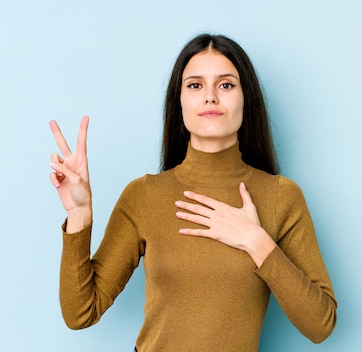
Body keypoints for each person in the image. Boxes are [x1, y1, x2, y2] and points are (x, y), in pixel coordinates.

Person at [48, 34, 337, 351]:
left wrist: (256, 241)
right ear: (180, 101)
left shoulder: (281, 196)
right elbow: (80, 313)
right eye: (195, 85)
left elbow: (320, 325)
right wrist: (78, 215)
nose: (210, 97)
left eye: (226, 85)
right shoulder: (144, 195)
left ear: (246, 98)